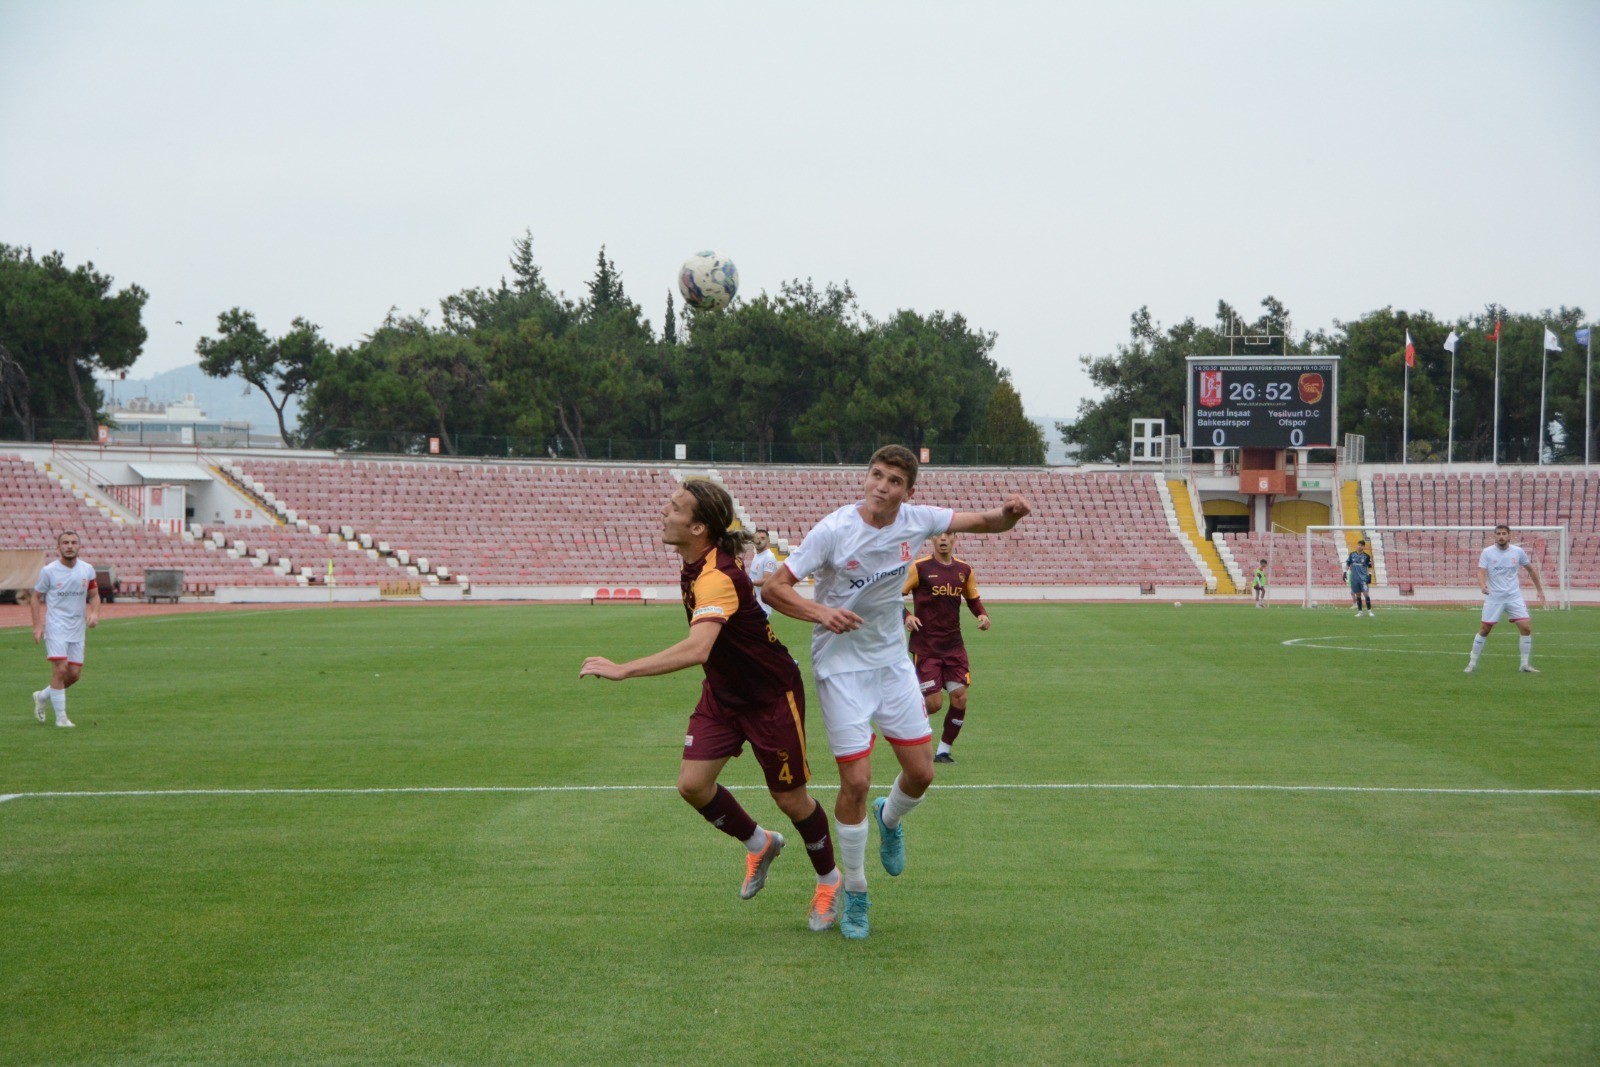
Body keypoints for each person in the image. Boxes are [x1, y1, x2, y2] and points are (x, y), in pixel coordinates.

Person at [763, 445, 1030, 939]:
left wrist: (1010, 515)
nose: (881, 487)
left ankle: (890, 818)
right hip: (841, 669)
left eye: (892, 481)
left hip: (890, 664)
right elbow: (773, 588)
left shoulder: (918, 519)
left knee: (922, 772)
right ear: (866, 478)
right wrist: (823, 613)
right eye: (876, 476)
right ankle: (858, 895)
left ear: (909, 492)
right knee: (857, 782)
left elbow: (987, 522)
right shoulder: (834, 530)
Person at [579, 480, 842, 931]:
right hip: (723, 694)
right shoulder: (696, 563)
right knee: (693, 785)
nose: (665, 511)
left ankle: (829, 882)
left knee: (791, 800)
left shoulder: (716, 577)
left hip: (769, 697)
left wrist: (624, 669)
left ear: (698, 527)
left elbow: (698, 648)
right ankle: (760, 843)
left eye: (676, 507)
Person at [902, 531, 989, 765]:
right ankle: (903, 719)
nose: (943, 539)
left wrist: (981, 614)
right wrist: (907, 616)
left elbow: (972, 599)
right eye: (938, 535)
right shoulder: (919, 568)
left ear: (954, 540)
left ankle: (943, 751)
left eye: (948, 535)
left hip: (954, 647)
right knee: (933, 703)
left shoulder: (964, 570)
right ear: (932, 540)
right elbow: (894, 596)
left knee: (959, 699)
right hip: (927, 647)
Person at [30, 530, 99, 728]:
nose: (69, 545)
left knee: (74, 674)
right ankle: (61, 718)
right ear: (58, 547)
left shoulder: (87, 569)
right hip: (57, 626)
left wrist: (94, 613)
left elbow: (94, 595)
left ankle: (42, 696)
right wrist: (37, 626)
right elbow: (35, 597)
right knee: (60, 669)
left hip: (77, 628)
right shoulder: (49, 571)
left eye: (73, 542)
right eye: (65, 542)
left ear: (79, 546)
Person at [1464, 523, 1547, 674]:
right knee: (1484, 630)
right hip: (1494, 598)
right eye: (1498, 534)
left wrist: (1540, 590)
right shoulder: (1487, 552)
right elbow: (1481, 572)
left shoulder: (1518, 552)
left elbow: (1531, 570)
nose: (1501, 536)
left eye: (1504, 533)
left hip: (1514, 597)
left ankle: (1524, 665)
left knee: (1526, 628)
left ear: (1509, 536)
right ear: (1494, 536)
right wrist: (1482, 586)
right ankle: (1472, 663)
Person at [745, 529, 780, 616]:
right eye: (757, 538)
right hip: (754, 604)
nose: (759, 541)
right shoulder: (757, 555)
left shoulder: (769, 557)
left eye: (763, 538)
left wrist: (748, 582)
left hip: (762, 607)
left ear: (768, 541)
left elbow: (766, 580)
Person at [1343, 539, 1374, 616]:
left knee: (1366, 594)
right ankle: (1360, 612)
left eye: (1361, 545)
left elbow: (1370, 567)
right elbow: (1347, 564)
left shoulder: (1366, 556)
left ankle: (1369, 611)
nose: (1359, 546)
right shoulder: (1352, 554)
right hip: (1354, 579)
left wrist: (1370, 576)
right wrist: (1344, 573)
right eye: (1358, 545)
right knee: (1358, 595)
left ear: (1363, 547)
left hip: (1363, 578)